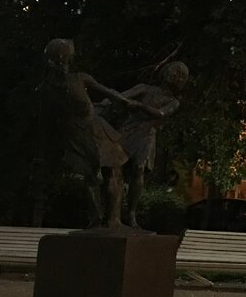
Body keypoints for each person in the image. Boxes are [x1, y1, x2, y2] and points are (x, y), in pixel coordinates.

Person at [38, 38, 151, 229]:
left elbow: (47, 120)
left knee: (91, 176)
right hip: (92, 130)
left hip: (74, 133)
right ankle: (111, 220)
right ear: (65, 58)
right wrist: (128, 103)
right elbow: (108, 92)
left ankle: (96, 219)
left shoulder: (47, 88)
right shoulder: (78, 79)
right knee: (112, 171)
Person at [116, 62, 189, 228]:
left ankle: (131, 213)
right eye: (173, 72)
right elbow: (121, 96)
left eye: (180, 75)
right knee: (116, 167)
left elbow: (160, 113)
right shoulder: (145, 88)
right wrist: (110, 100)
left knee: (139, 168)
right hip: (129, 130)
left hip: (147, 135)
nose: (174, 76)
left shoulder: (173, 102)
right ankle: (114, 212)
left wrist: (139, 106)